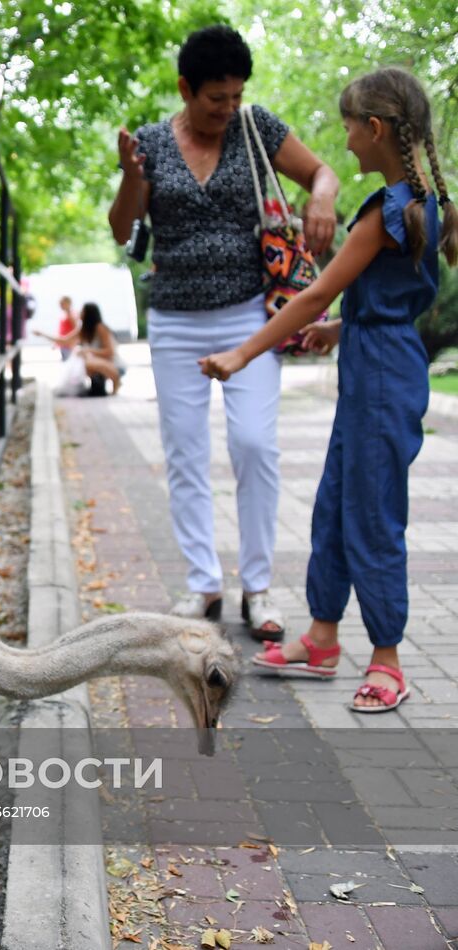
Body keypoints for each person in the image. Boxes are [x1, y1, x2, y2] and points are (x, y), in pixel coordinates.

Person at [200, 68, 456, 712]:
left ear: (375, 129)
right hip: (380, 363)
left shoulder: (384, 212)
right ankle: (320, 638)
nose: (342, 143)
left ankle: (389, 660)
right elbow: (398, 298)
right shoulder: (432, 206)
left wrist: (242, 352)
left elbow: (315, 291)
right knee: (336, 505)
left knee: (372, 517)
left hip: (380, 381)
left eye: (347, 129)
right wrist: (346, 328)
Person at [108, 24, 340, 638]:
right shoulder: (154, 143)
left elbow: (323, 173)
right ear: (186, 88)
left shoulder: (256, 127)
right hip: (176, 321)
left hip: (250, 316)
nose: (228, 108)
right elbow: (120, 227)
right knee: (185, 452)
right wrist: (132, 174)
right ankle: (202, 583)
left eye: (236, 95)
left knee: (255, 446)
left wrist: (320, 198)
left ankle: (258, 588)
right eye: (217, 97)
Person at [35, 302, 123, 395]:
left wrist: (88, 351)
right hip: (98, 363)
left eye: (82, 311)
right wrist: (43, 335)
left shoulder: (100, 328)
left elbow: (110, 352)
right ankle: (98, 385)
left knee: (86, 361)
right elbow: (64, 341)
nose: (79, 313)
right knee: (80, 359)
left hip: (113, 364)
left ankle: (116, 380)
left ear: (88, 314)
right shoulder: (83, 330)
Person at [55, 296, 81, 360]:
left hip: (68, 345)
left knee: (68, 362)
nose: (60, 306)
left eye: (62, 304)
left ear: (68, 303)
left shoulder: (71, 314)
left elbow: (76, 330)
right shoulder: (65, 314)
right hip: (63, 344)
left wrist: (73, 343)